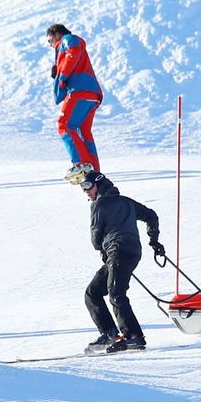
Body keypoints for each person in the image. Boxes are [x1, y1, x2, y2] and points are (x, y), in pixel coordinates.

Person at [80, 171, 165, 353]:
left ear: (98, 185)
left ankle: (133, 336)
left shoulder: (99, 205)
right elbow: (151, 216)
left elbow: (95, 237)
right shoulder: (127, 202)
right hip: (128, 253)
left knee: (116, 292)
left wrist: (102, 248)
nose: (85, 192)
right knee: (93, 292)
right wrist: (154, 240)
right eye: (82, 188)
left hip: (118, 252)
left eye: (87, 186)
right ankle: (110, 333)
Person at [46, 24, 102, 183]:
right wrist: (58, 74)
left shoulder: (68, 39)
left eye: (50, 41)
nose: (51, 45)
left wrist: (62, 76)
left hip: (79, 91)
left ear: (56, 35)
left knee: (64, 124)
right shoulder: (66, 48)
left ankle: (82, 163)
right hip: (91, 93)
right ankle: (96, 174)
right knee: (83, 131)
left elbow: (74, 50)